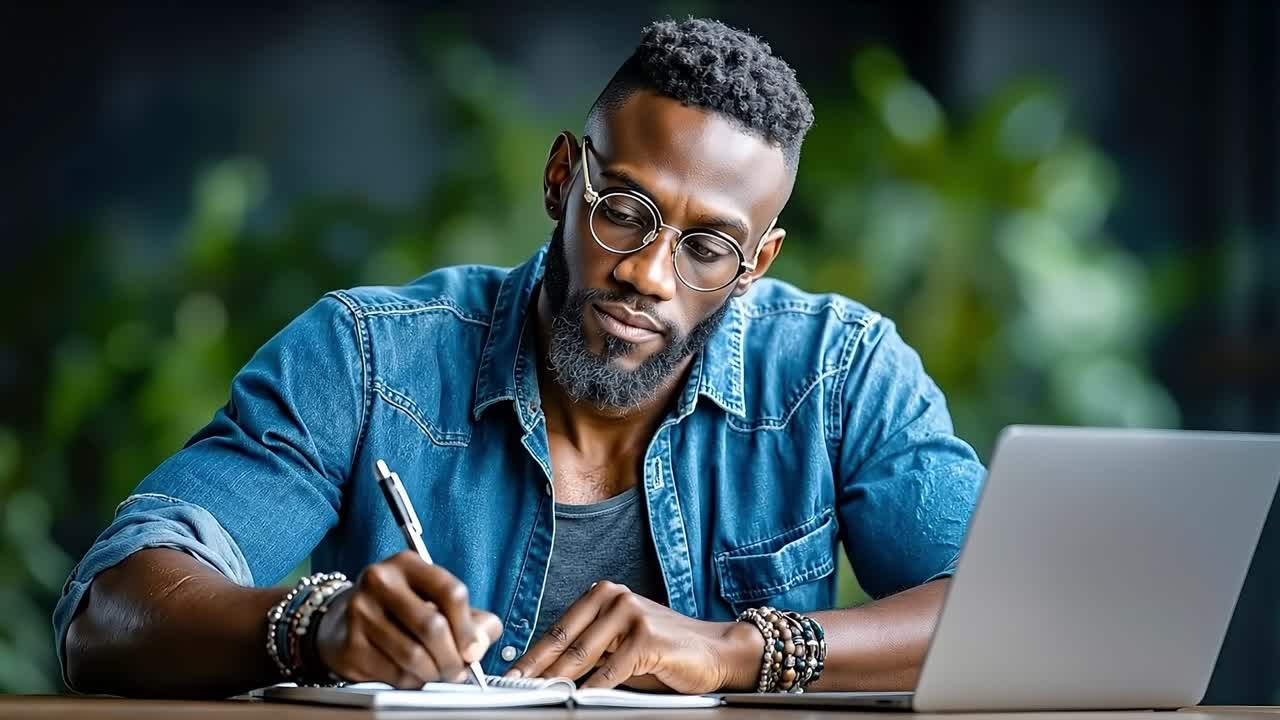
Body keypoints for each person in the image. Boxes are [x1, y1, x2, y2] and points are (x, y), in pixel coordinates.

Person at [55, 17, 985, 698]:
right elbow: (108, 609)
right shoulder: (370, 359)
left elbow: (1002, 612)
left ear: (756, 266)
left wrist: (737, 650)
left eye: (708, 247)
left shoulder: (838, 373)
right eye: (624, 210)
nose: (648, 273)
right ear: (560, 179)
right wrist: (315, 627)